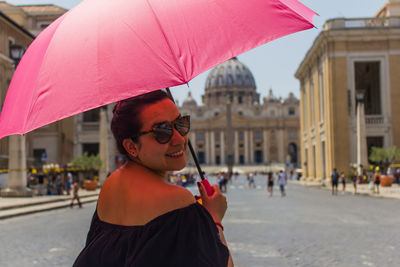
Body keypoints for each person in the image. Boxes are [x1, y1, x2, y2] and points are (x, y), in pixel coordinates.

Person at [74, 90, 232, 267]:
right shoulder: (177, 201)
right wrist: (213, 218)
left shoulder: (110, 186)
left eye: (181, 124)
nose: (179, 139)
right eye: (162, 131)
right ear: (131, 146)